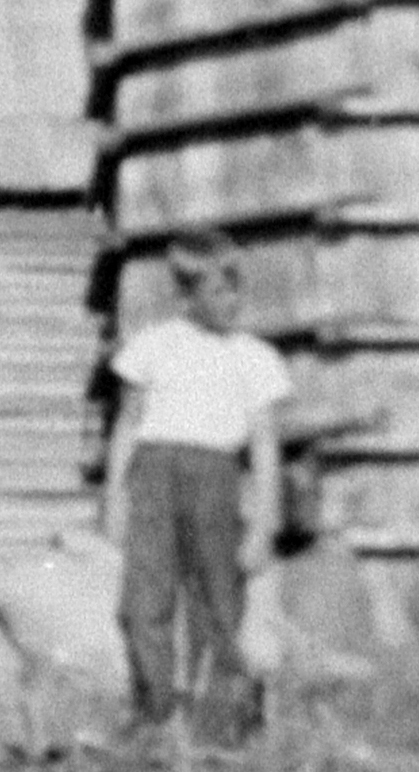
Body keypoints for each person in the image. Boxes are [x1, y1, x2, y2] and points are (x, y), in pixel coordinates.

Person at [107, 230, 290, 745]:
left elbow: (264, 446)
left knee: (217, 595)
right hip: (154, 476)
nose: (231, 302)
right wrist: (115, 499)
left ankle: (224, 714)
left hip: (216, 478)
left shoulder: (255, 357)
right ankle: (156, 710)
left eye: (237, 290)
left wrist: (265, 522)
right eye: (217, 292)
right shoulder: (151, 346)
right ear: (185, 297)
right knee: (145, 598)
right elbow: (127, 424)